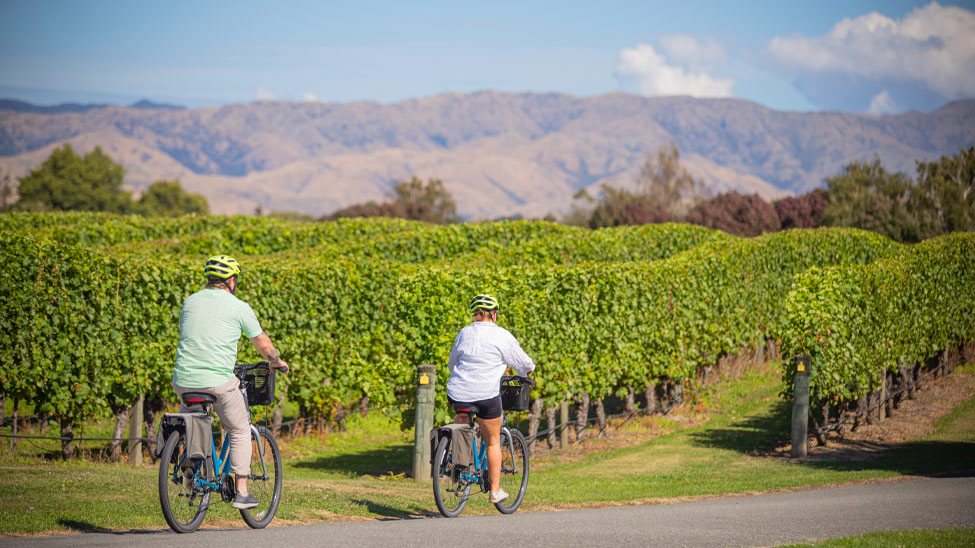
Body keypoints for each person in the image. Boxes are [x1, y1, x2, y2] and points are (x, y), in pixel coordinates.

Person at [172, 255, 289, 510]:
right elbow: (262, 343)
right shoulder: (238, 307)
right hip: (217, 381)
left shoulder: (189, 302)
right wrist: (277, 361)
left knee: (193, 422)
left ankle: (189, 470)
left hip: (183, 380)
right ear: (232, 281)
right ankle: (242, 492)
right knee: (239, 428)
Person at [446, 294, 534, 503]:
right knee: (493, 441)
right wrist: (528, 371)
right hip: (486, 393)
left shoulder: (464, 332)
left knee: (462, 424)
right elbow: (524, 363)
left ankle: (459, 467)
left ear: (476, 314)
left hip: (457, 391)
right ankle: (495, 490)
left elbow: (452, 363)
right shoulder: (501, 335)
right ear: (494, 314)